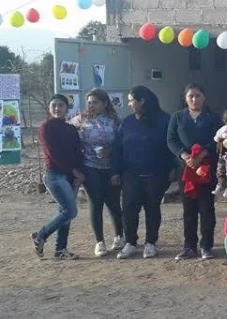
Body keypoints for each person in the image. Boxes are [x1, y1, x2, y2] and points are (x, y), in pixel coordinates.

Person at [113, 86, 172, 260]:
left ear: (142, 101)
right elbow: (118, 148)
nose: (129, 104)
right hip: (130, 174)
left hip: (156, 174)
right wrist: (115, 172)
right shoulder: (127, 122)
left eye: (131, 100)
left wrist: (172, 169)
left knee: (152, 208)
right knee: (129, 209)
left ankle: (150, 243)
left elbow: (170, 146)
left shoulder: (164, 120)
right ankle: (130, 243)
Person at [168, 83, 221, 260]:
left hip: (206, 167)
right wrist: (184, 156)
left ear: (204, 97)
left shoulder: (213, 118)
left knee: (206, 208)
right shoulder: (177, 117)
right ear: (185, 98)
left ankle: (206, 245)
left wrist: (202, 154)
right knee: (188, 208)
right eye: (190, 96)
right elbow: (171, 139)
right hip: (186, 169)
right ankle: (189, 246)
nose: (194, 99)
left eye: (198, 96)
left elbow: (218, 140)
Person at [71, 88, 124, 257]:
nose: (91, 106)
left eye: (95, 102)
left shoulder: (115, 120)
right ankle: (99, 242)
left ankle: (119, 236)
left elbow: (122, 143)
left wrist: (111, 151)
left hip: (111, 168)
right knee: (96, 203)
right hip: (90, 167)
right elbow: (67, 133)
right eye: (89, 103)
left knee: (114, 203)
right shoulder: (81, 120)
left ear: (105, 103)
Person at [32, 94, 84, 260]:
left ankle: (60, 249)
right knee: (70, 211)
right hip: (55, 175)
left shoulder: (71, 129)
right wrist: (74, 171)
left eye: (61, 105)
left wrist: (79, 172)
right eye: (54, 105)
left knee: (64, 213)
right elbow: (53, 153)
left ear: (67, 108)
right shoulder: (46, 127)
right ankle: (41, 235)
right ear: (49, 108)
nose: (57, 108)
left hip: (72, 176)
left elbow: (78, 152)